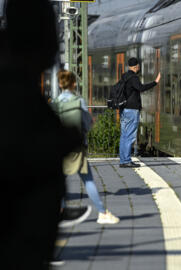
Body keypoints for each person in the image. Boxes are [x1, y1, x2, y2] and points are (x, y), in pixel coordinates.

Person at [0, 0, 83, 268]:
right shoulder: (15, 90)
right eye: (50, 33)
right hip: (18, 246)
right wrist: (60, 141)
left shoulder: (20, 84)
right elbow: (17, 154)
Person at [56, 70, 120, 225]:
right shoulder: (78, 101)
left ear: (59, 84)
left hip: (60, 148)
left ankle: (60, 212)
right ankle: (102, 213)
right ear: (73, 84)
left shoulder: (56, 102)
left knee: (58, 182)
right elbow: (87, 124)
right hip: (77, 148)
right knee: (88, 181)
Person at [119, 57, 161, 168]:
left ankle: (123, 160)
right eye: (138, 66)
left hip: (123, 109)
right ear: (136, 66)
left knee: (124, 135)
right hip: (132, 110)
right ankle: (126, 160)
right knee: (129, 136)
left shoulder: (124, 76)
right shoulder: (134, 78)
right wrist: (155, 82)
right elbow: (141, 88)